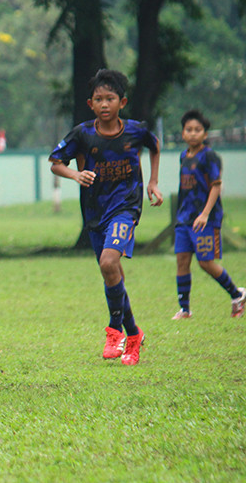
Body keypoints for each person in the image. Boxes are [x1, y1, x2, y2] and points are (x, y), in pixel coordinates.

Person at [49, 69, 163, 365]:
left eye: (110, 98)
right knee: (112, 274)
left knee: (108, 262)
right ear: (90, 104)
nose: (104, 104)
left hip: (125, 208)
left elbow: (155, 145)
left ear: (121, 102)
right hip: (95, 213)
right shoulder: (83, 133)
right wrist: (76, 174)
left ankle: (114, 331)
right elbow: (55, 162)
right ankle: (134, 335)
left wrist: (152, 182)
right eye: (98, 99)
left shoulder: (135, 131)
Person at [172, 109, 246, 319]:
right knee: (182, 260)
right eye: (189, 129)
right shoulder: (183, 156)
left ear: (205, 134)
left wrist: (205, 214)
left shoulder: (209, 156)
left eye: (198, 130)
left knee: (205, 262)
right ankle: (185, 309)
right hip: (184, 218)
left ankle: (236, 295)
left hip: (205, 219)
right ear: (183, 133)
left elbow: (216, 186)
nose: (193, 133)